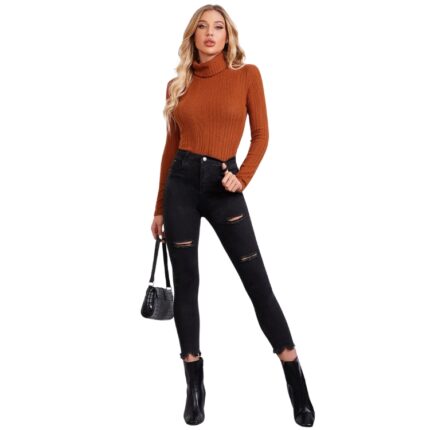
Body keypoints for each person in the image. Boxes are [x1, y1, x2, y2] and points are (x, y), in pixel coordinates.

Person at [150, 4, 315, 427]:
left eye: (218, 27)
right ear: (193, 35)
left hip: (224, 187)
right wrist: (160, 207)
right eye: (202, 27)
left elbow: (261, 134)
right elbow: (171, 148)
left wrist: (242, 178)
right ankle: (194, 386)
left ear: (228, 36)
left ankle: (294, 375)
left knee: (257, 282)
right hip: (181, 187)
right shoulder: (176, 85)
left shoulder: (247, 75)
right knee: (187, 285)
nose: (210, 33)